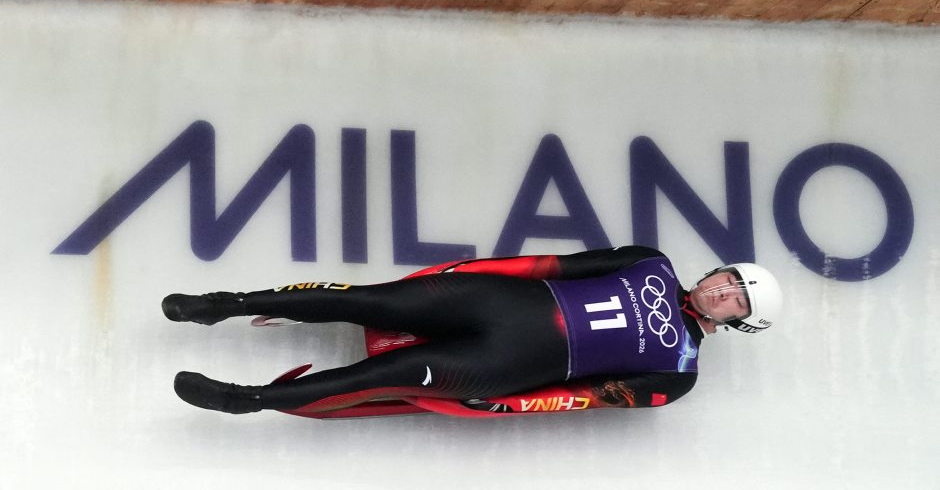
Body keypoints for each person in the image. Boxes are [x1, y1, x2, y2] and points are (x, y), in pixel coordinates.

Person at [163, 246, 782, 416]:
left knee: (388, 374)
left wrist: (508, 405)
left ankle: (249, 399)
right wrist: (471, 273)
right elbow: (553, 265)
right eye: (729, 278)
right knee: (369, 299)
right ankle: (223, 304)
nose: (722, 290)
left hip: (509, 362)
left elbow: (583, 397)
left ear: (739, 322)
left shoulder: (677, 374)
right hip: (497, 302)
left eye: (736, 299)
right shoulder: (650, 261)